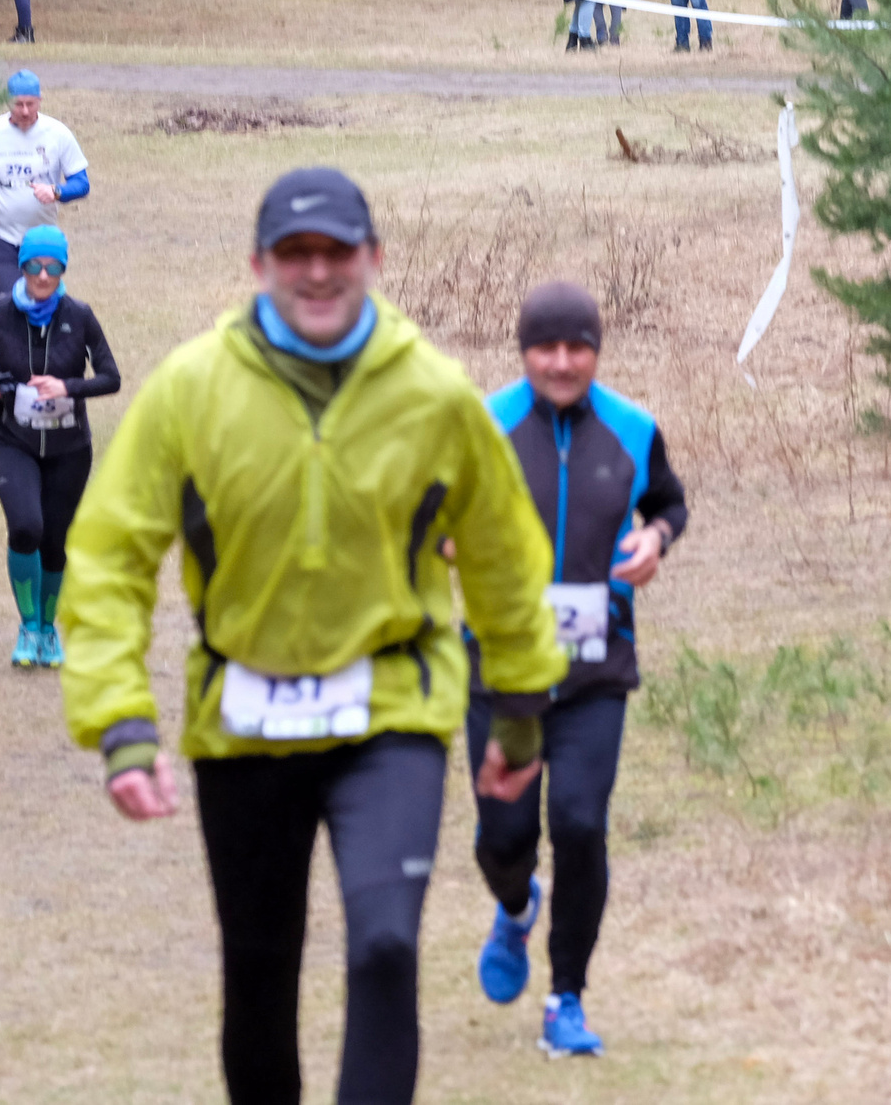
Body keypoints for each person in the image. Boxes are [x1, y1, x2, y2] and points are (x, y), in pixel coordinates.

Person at [59, 168, 566, 1105]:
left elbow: (504, 557)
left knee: (384, 943)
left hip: (393, 709)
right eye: (297, 254)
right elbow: (109, 558)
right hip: (244, 718)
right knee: (259, 978)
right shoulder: (190, 389)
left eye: (339, 252)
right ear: (259, 264)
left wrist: (523, 714)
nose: (319, 272)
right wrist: (121, 723)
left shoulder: (434, 393)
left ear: (373, 257)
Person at [469, 281, 688, 1059]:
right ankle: (515, 901)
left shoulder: (632, 428)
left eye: (578, 347)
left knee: (582, 824)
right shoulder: (484, 425)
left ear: (597, 349)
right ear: (523, 350)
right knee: (503, 838)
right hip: (498, 671)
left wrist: (657, 536)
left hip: (596, 668)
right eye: (545, 347)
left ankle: (566, 999)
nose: (562, 362)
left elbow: (670, 500)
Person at [0, 224, 121, 668]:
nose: (42, 274)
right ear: (22, 267)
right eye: (34, 265)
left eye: (52, 266)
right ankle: (28, 626)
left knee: (55, 543)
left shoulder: (80, 314)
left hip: (69, 448)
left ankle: (49, 631)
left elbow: (111, 377)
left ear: (62, 269)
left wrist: (67, 387)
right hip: (12, 441)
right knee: (25, 528)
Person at [0, 69, 90, 295]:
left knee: (42, 305)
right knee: (13, 302)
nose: (25, 111)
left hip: (42, 239)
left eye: (31, 104)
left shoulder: (57, 134)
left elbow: (81, 183)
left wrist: (56, 191)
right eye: (18, 105)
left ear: (40, 101)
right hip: (0, 237)